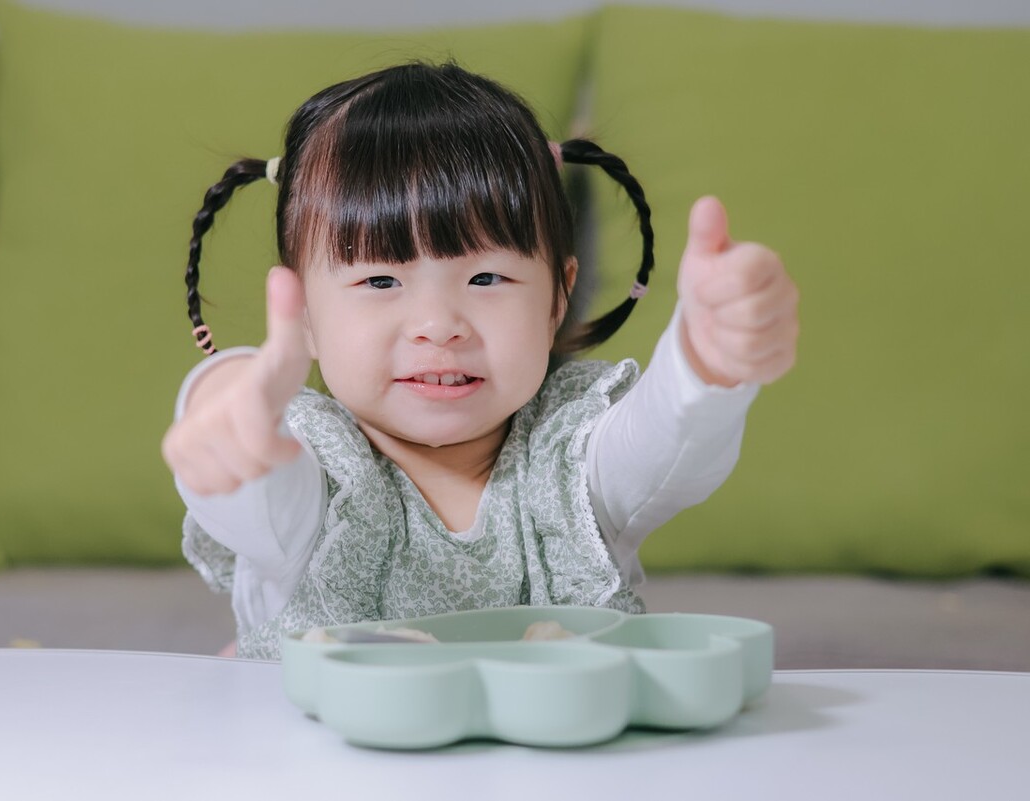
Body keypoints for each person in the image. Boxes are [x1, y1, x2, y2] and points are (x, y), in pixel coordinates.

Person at [161, 62, 798, 660]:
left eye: (488, 277)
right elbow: (259, 486)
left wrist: (706, 359)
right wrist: (226, 407)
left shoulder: (570, 460)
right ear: (304, 315)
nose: (439, 326)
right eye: (381, 281)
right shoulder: (312, 469)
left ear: (557, 298)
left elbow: (663, 441)